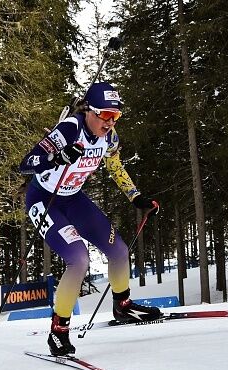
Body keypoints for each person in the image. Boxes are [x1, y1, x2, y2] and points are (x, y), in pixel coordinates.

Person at [19, 82, 161, 356]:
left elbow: (115, 165)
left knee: (118, 250)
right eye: (105, 115)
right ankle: (59, 330)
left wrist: (136, 197)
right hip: (44, 200)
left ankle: (123, 305)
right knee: (79, 258)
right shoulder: (70, 129)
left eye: (115, 116)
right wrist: (56, 157)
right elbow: (26, 163)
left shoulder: (110, 138)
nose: (110, 122)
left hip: (73, 199)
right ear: (90, 111)